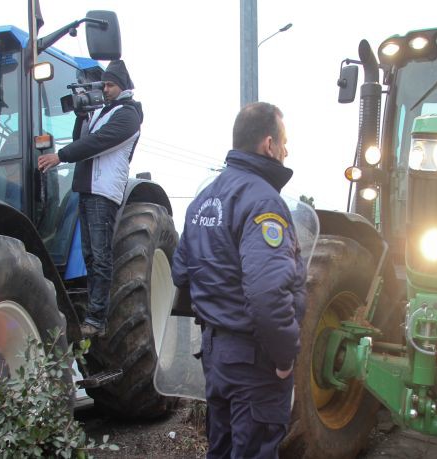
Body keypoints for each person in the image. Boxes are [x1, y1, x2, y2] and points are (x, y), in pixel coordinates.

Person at [172, 102, 307, 458]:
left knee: (222, 448)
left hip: (217, 356)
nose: (286, 150)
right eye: (284, 141)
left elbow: (181, 274)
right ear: (268, 144)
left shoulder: (202, 201)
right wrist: (284, 356)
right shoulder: (264, 202)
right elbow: (266, 294)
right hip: (255, 362)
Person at [38, 60, 143, 337]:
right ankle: (89, 314)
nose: (105, 89)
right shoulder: (101, 112)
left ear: (122, 86)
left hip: (103, 191)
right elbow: (80, 138)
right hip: (86, 189)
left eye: (109, 85)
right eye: (104, 85)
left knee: (100, 255)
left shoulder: (128, 115)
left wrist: (59, 156)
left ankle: (97, 320)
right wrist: (82, 114)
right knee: (89, 256)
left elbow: (97, 143)